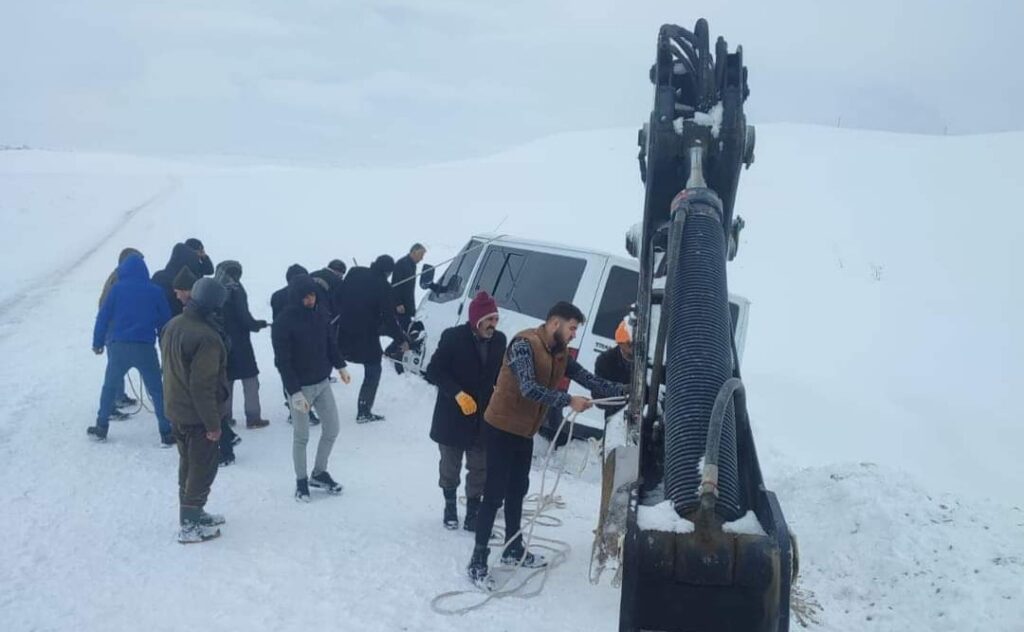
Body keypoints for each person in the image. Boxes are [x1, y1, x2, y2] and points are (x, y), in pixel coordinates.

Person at [466, 301, 627, 585]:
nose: (574, 334)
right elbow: (528, 388)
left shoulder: (560, 352)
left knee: (518, 489)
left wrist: (630, 391)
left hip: (524, 431)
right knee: (494, 493)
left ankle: (512, 548)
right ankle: (478, 559)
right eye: (572, 328)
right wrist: (568, 401)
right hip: (501, 428)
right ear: (556, 323)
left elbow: (587, 378)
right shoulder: (524, 345)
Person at [425, 292, 506, 531]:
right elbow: (433, 371)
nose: (493, 325)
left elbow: (502, 373)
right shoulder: (453, 338)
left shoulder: (500, 341)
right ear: (476, 319)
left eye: (496, 319)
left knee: (479, 467)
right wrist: (457, 393)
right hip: (452, 415)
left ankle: (473, 512)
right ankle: (450, 505)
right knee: (450, 466)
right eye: (489, 320)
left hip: (482, 417)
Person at [160, 278, 230, 544]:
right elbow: (203, 386)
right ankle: (189, 524)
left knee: (187, 465)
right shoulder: (207, 337)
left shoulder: (173, 324)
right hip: (197, 415)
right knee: (202, 467)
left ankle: (193, 512)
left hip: (176, 409)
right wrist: (213, 423)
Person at [272, 274, 352, 502]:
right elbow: (283, 362)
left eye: (313, 296)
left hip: (322, 383)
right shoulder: (283, 323)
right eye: (306, 297)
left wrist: (340, 366)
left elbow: (330, 343)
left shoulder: (321, 314)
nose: (310, 300)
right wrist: (294, 392)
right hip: (300, 388)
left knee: (332, 429)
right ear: (296, 298)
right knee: (302, 436)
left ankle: (319, 472)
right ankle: (301, 481)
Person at [88, 255, 174, 445]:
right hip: (145, 347)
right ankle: (166, 431)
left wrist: (98, 342)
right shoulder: (155, 291)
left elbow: (103, 317)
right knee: (157, 391)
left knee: (109, 387)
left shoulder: (116, 289)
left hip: (119, 347)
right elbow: (165, 322)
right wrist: (165, 345)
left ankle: (101, 427)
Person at [337, 255, 407, 422]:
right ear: (388, 271)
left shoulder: (354, 272)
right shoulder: (384, 286)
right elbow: (389, 318)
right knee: (373, 369)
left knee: (329, 360)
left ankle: (305, 407)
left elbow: (339, 294)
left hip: (343, 330)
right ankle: (363, 410)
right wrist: (401, 338)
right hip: (366, 335)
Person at [215, 260, 270, 430]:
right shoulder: (236, 289)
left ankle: (226, 416)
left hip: (221, 342)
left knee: (227, 380)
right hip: (240, 342)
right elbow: (244, 317)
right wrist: (258, 324)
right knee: (250, 379)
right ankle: (253, 417)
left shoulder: (214, 288)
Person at [98, 247, 144, 417]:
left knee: (117, 366)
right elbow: (106, 305)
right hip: (115, 330)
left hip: (115, 329)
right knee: (115, 368)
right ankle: (110, 405)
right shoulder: (119, 280)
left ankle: (118, 396)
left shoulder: (118, 276)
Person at [386, 244, 427, 371]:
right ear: (413, 252)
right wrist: (397, 303)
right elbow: (396, 285)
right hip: (400, 305)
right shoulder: (401, 264)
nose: (421, 258)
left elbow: (409, 289)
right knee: (403, 330)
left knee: (407, 329)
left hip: (408, 304)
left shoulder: (412, 265)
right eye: (420, 255)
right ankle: (391, 352)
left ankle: (392, 351)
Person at [151, 239, 214, 316]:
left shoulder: (160, 275)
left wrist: (204, 257)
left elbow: (209, 270)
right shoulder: (191, 276)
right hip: (181, 319)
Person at [593, 319, 634, 419]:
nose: (632, 351)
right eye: (629, 346)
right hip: (616, 419)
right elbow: (598, 398)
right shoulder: (605, 362)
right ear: (619, 344)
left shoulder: (651, 361)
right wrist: (624, 392)